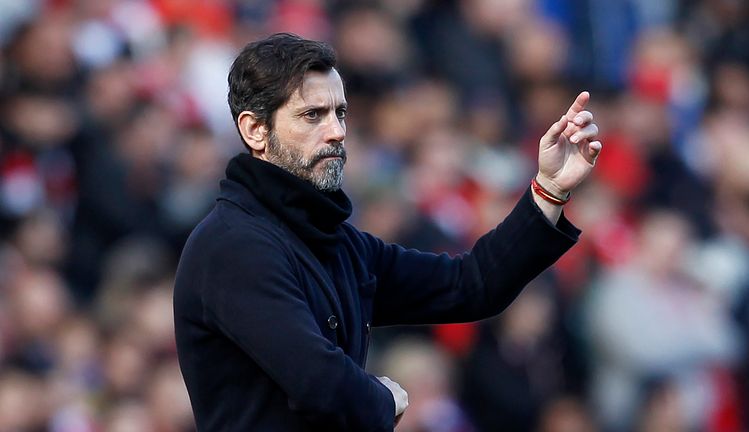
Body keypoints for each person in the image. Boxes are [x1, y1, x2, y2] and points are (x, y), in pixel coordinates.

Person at [173, 33, 601, 432]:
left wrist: (549, 188)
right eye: (312, 115)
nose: (337, 131)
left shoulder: (337, 242)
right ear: (255, 130)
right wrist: (384, 399)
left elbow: (470, 284)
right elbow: (316, 380)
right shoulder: (231, 246)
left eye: (340, 112)